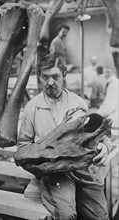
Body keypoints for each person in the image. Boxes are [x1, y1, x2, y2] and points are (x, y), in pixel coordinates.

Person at [17, 54, 111, 220]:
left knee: (100, 217)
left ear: (64, 75)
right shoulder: (32, 108)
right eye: (45, 77)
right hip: (55, 173)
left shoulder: (78, 103)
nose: (50, 82)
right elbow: (23, 147)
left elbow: (96, 134)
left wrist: (105, 146)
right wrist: (42, 162)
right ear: (39, 76)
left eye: (55, 77)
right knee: (67, 216)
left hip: (82, 169)